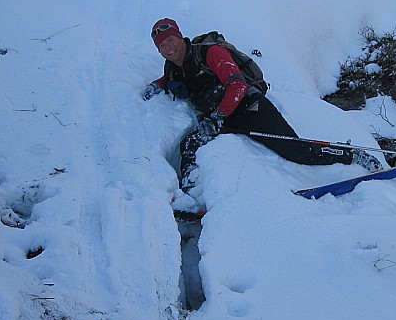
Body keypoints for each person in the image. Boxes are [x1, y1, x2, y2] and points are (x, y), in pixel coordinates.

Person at [142, 18, 383, 191]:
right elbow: (168, 80)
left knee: (296, 151)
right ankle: (192, 191)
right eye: (161, 46)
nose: (168, 48)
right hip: (222, 120)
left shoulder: (210, 53)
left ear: (179, 36)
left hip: (248, 108)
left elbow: (238, 86)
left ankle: (352, 155)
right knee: (189, 145)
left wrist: (217, 118)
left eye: (170, 40)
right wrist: (156, 85)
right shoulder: (173, 68)